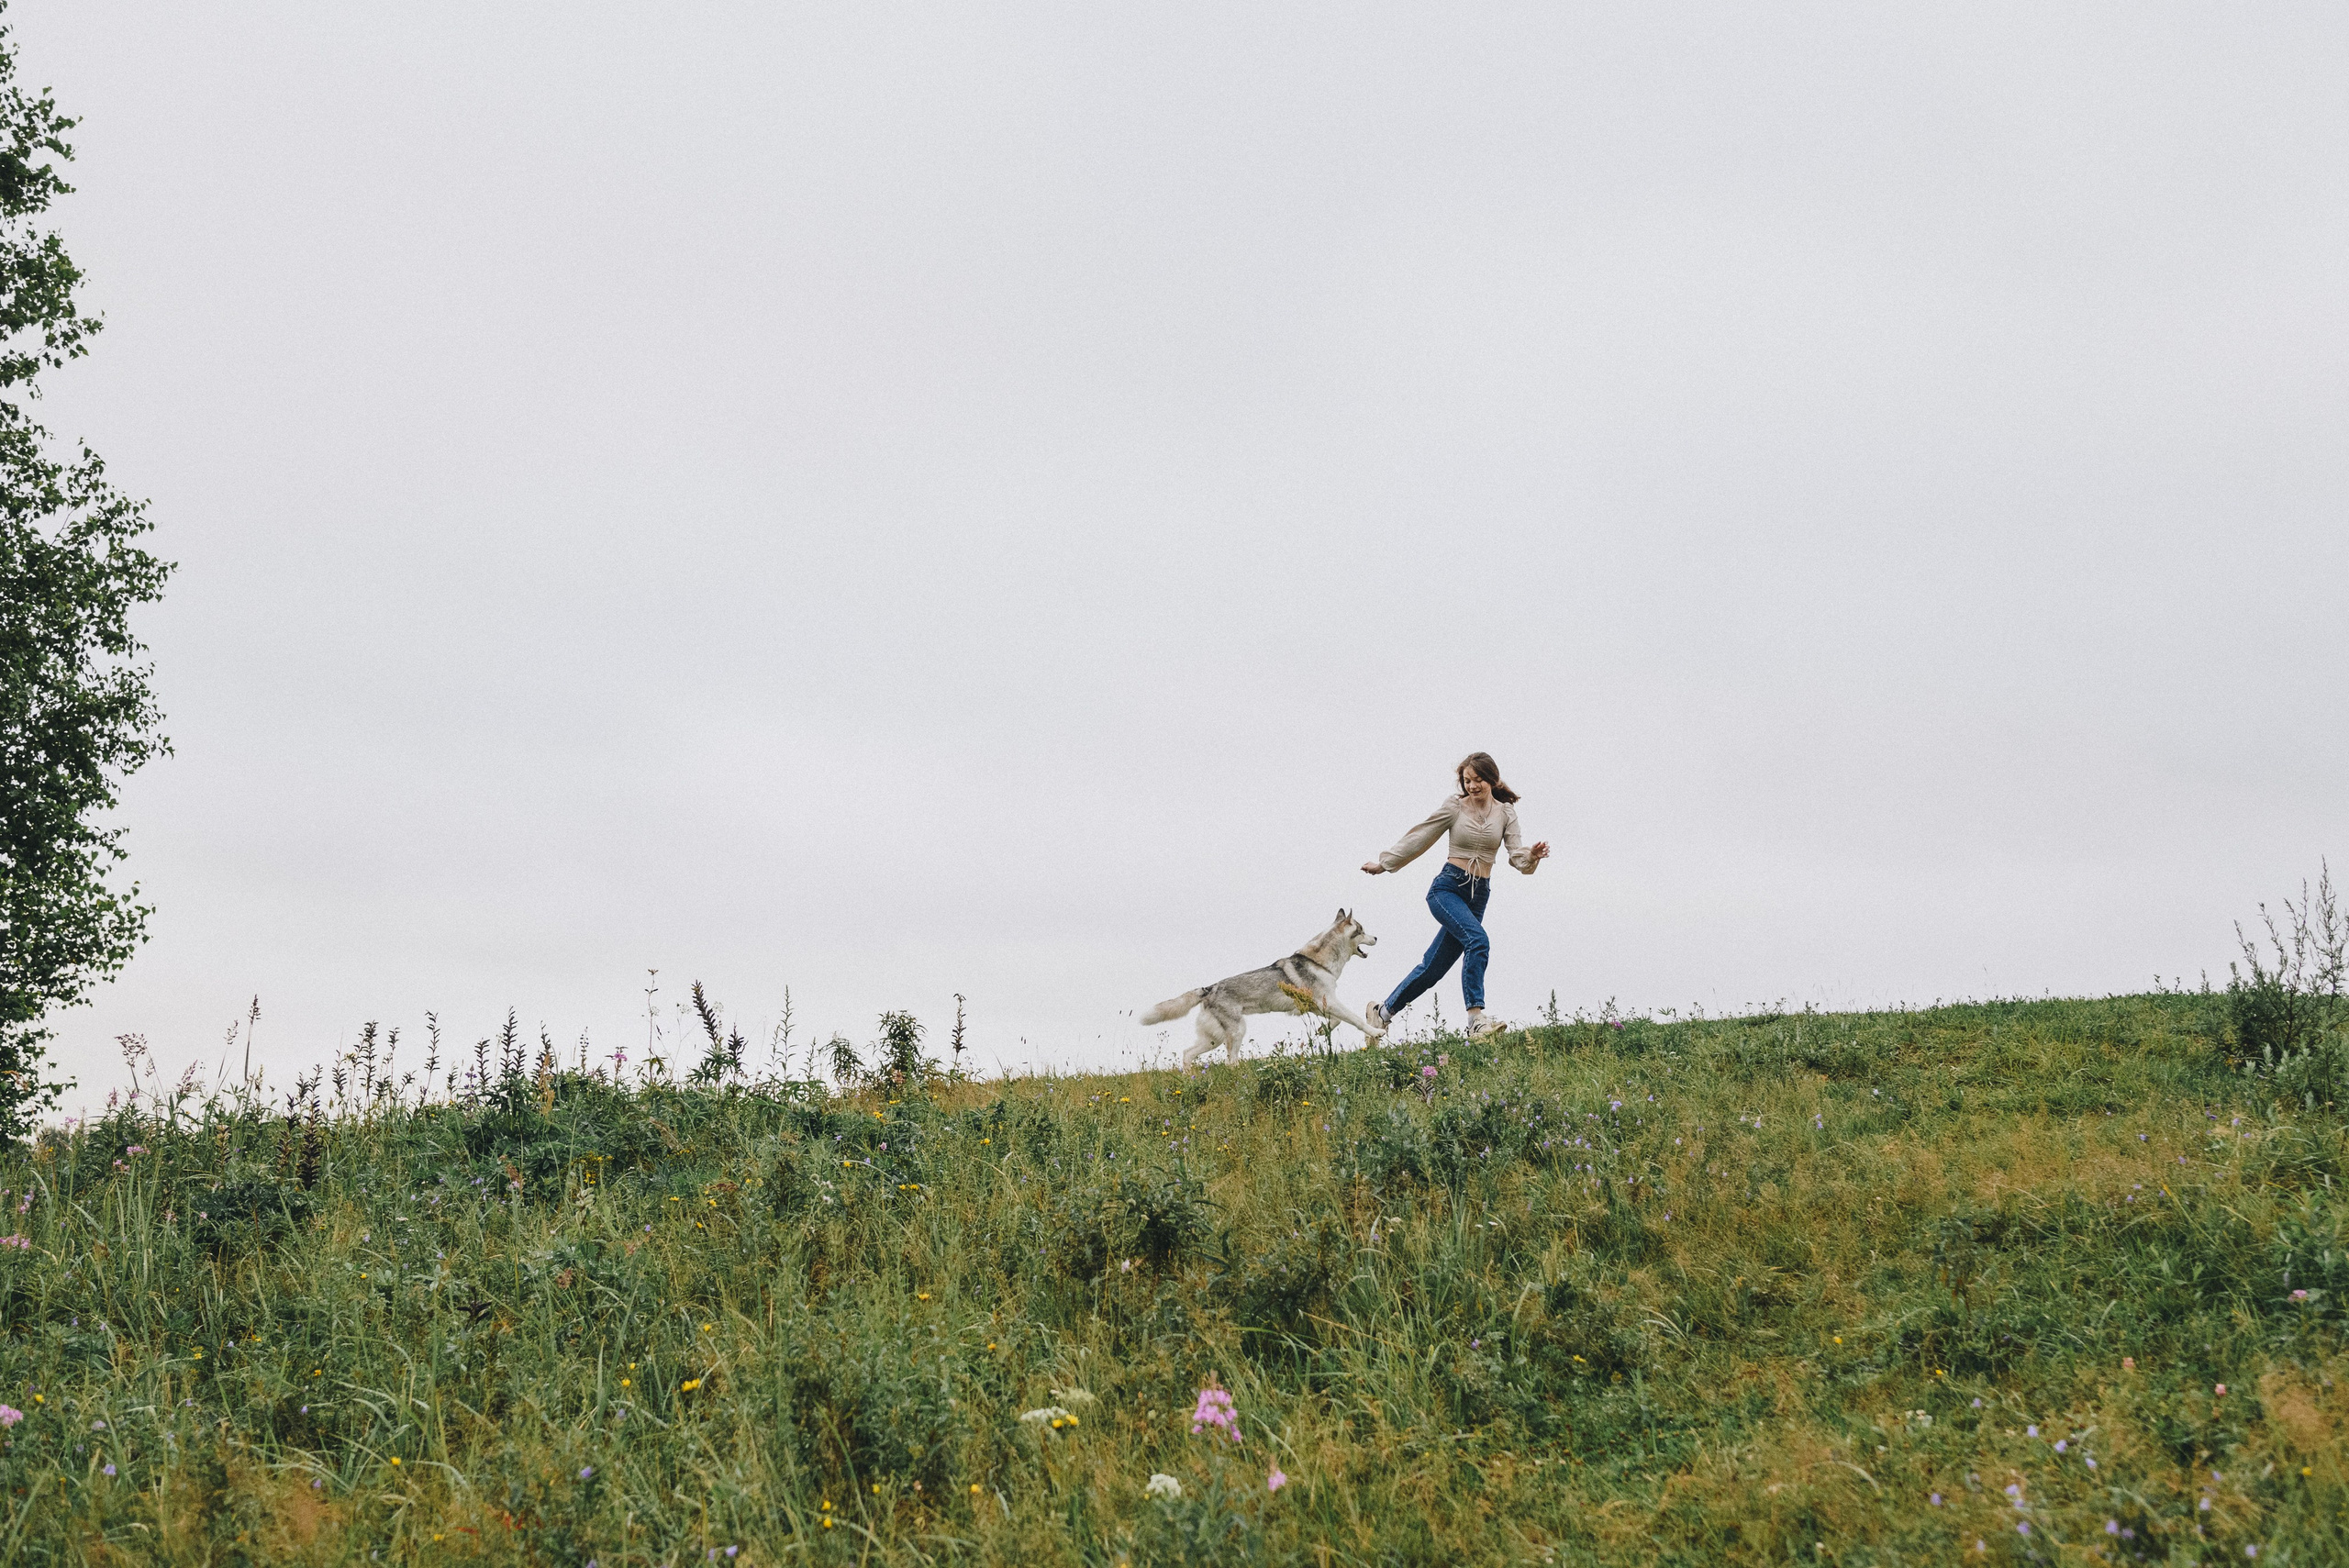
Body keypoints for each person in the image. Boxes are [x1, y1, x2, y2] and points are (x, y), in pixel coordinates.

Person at [1360, 752, 1548, 1040]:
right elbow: (1421, 835)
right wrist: (1385, 864)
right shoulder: (1455, 806)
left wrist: (1531, 856)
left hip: (1478, 894)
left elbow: (1517, 856)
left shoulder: (1505, 812)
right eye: (1467, 780)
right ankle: (1476, 1019)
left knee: (1433, 969)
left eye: (1478, 780)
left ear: (1493, 779)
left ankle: (1381, 1014)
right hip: (1447, 889)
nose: (1472, 786)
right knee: (1478, 940)